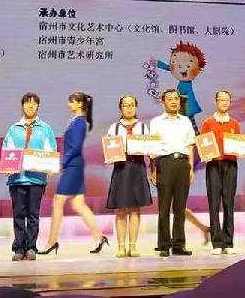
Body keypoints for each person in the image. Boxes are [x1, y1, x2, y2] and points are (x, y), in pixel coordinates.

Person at [39, 92, 108, 255]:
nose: (69, 104)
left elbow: (75, 147)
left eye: (72, 102)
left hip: (73, 166)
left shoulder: (79, 122)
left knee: (58, 201)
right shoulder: (78, 121)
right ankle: (99, 237)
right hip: (74, 165)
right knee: (78, 204)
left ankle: (52, 242)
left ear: (80, 104)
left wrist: (63, 162)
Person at [2, 93, 57, 261]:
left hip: (37, 179)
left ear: (38, 106)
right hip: (17, 179)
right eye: (27, 103)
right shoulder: (13, 129)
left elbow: (51, 150)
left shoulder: (45, 128)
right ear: (22, 106)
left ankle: (31, 247)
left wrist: (51, 165)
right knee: (18, 214)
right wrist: (7, 165)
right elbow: (7, 150)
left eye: (34, 103)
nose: (31, 106)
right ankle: (19, 248)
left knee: (33, 215)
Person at [149, 89, 196, 257]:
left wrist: (191, 167)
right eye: (169, 99)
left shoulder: (185, 121)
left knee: (180, 207)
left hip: (183, 163)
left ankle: (178, 244)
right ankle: (163, 244)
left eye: (176, 98)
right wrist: (153, 169)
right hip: (165, 163)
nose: (174, 101)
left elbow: (190, 145)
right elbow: (152, 147)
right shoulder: (156, 122)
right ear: (163, 102)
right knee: (164, 206)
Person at [105, 95, 153, 258]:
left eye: (132, 105)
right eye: (126, 105)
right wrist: (109, 156)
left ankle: (133, 246)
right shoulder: (114, 128)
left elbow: (150, 150)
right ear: (120, 108)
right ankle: (121, 247)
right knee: (120, 210)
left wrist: (152, 159)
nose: (129, 108)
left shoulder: (143, 127)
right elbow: (108, 148)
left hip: (138, 168)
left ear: (136, 107)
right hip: (121, 168)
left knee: (135, 209)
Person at [200, 90, 241, 255]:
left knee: (229, 203)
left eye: (227, 100)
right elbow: (203, 144)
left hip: (230, 165)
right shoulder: (208, 123)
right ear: (216, 102)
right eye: (221, 99)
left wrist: (242, 149)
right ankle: (216, 242)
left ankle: (228, 242)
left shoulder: (235, 123)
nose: (224, 102)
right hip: (213, 166)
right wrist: (204, 154)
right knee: (214, 203)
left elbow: (239, 145)